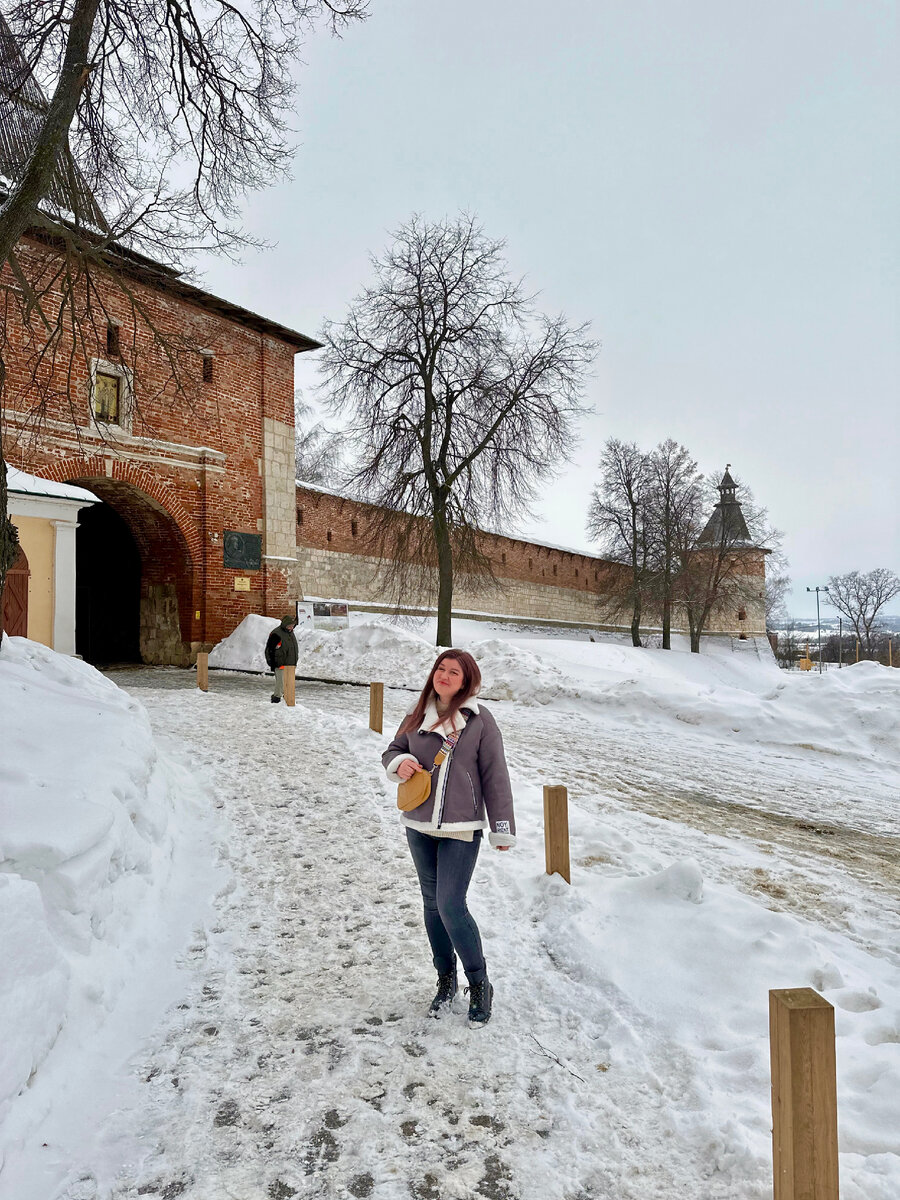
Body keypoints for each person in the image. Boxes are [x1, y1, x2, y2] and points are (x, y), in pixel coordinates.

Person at [382, 649, 515, 1026]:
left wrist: (501, 827)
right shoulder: (417, 713)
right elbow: (392, 749)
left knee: (451, 904)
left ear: (466, 681)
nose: (444, 675)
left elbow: (495, 776)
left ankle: (479, 983)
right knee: (431, 905)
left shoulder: (480, 720)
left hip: (460, 828)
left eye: (454, 671)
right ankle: (445, 980)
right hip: (419, 824)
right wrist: (398, 763)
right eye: (441, 668)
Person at [265, 614, 299, 703]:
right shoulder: (276, 633)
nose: (291, 627)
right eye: (290, 626)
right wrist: (273, 662)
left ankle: (288, 699)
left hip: (290, 662)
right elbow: (269, 649)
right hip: (280, 663)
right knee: (281, 683)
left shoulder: (290, 633)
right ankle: (276, 698)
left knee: (289, 683)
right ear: (285, 624)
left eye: (292, 626)